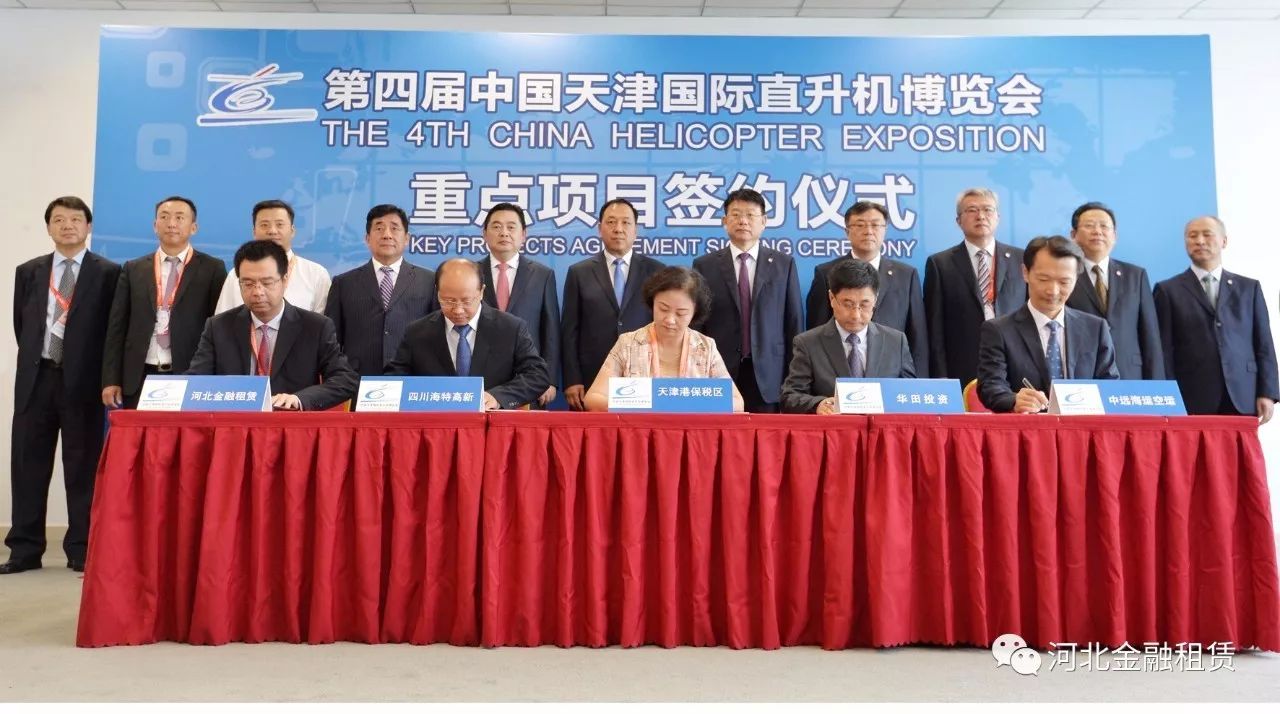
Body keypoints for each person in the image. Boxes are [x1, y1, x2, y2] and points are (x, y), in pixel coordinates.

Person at [3, 197, 121, 575]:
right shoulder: (29, 271)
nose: (67, 225)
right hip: (36, 380)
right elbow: (23, 325)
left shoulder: (109, 273)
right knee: (27, 466)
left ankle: (81, 547)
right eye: (58, 220)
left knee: (82, 467)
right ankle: (24, 550)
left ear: (88, 227)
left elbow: (112, 330)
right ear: (49, 227)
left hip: (83, 383)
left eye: (75, 219)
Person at [186, 240, 357, 411]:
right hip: (235, 421)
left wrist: (299, 399)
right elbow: (195, 381)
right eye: (248, 284)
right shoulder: (218, 327)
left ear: (284, 280)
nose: (257, 292)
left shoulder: (315, 327)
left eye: (267, 283)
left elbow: (344, 380)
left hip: (289, 421)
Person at [101, 196, 226, 409]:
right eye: (165, 217)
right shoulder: (133, 268)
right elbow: (117, 327)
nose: (171, 223)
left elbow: (219, 327)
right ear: (155, 225)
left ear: (193, 227)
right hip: (139, 376)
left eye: (179, 217)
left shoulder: (212, 269)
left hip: (189, 374)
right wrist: (111, 379)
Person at [1154, 216, 1278, 422]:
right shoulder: (1167, 290)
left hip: (1243, 394)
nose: (1199, 241)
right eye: (1192, 236)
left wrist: (1268, 392)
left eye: (1207, 234)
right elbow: (1163, 350)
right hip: (1191, 396)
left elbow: (1264, 343)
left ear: (1224, 241)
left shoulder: (1249, 288)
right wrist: (1168, 397)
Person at [977, 236, 1119, 413]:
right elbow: (990, 386)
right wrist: (1014, 400)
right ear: (1025, 272)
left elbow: (1110, 386)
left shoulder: (1095, 328)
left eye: (1064, 282)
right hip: (1027, 426)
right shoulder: (999, 330)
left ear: (1076, 278)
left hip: (1082, 426)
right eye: (1044, 279)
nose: (1053, 290)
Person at [693, 188, 802, 412]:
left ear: (764, 221)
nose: (743, 221)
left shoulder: (783, 264)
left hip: (769, 373)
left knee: (767, 434)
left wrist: (793, 378)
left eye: (750, 215)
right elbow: (698, 324)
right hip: (719, 369)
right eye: (736, 214)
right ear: (725, 221)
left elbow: (794, 322)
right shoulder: (705, 265)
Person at [387, 259, 549, 410]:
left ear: (481, 292)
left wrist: (498, 397)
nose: (458, 310)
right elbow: (394, 378)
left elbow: (537, 375)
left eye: (466, 301)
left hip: (490, 424)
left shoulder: (510, 328)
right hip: (436, 423)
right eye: (449, 301)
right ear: (437, 292)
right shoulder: (417, 333)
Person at [584, 266, 744, 412]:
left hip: (691, 433)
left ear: (694, 313)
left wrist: (685, 404)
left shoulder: (705, 347)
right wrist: (642, 404)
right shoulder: (628, 343)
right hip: (640, 432)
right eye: (663, 309)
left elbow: (737, 403)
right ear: (652, 302)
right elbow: (593, 398)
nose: (670, 320)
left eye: (681, 313)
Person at [561, 198, 664, 410]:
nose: (618, 229)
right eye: (611, 222)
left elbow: (662, 325)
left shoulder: (656, 271)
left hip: (643, 373)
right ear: (600, 229)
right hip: (591, 376)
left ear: (635, 230)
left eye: (626, 222)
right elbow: (570, 330)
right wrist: (572, 379)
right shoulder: (579, 272)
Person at [805, 201, 928, 375]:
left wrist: (919, 382)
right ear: (847, 231)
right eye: (860, 225)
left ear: (885, 230)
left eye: (875, 225)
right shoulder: (826, 273)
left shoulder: (906, 275)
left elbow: (917, 335)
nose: (868, 231)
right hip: (839, 372)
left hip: (892, 374)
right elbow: (816, 331)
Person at [783, 258, 915, 415]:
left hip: (881, 429)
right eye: (848, 304)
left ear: (875, 299)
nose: (856, 315)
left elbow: (910, 395)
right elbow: (790, 396)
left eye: (864, 304)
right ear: (832, 299)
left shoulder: (896, 342)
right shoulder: (808, 343)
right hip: (834, 429)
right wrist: (817, 404)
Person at [924, 188, 1026, 385]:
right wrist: (940, 375)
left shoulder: (1020, 259)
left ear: (998, 217)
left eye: (987, 209)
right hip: (963, 362)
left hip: (1014, 363)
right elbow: (935, 326)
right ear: (958, 220)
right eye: (972, 210)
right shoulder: (940, 264)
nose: (981, 216)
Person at [324, 204, 436, 376]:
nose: (387, 235)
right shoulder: (343, 283)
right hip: (356, 379)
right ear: (367, 238)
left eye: (394, 228)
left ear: (407, 238)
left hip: (412, 377)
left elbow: (436, 333)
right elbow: (332, 339)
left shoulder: (429, 280)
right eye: (379, 228)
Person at [1064, 201, 1164, 380]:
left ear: (1114, 235)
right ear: (1073, 235)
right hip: (1082, 375)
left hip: (1130, 374)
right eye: (1089, 225)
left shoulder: (1135, 275)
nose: (1097, 231)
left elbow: (1150, 336)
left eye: (1104, 226)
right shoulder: (1065, 276)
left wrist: (1158, 385)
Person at [475, 202, 559, 407]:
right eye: (496, 226)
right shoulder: (471, 273)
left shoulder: (542, 275)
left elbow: (550, 332)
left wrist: (548, 379)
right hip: (480, 381)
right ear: (484, 234)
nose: (504, 232)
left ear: (523, 234)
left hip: (527, 381)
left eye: (511, 227)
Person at [214, 199, 332, 314]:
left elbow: (323, 323)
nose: (272, 231)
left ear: (292, 231)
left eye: (279, 224)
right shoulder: (236, 275)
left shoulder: (317, 274)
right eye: (264, 225)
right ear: (254, 231)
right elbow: (222, 321)